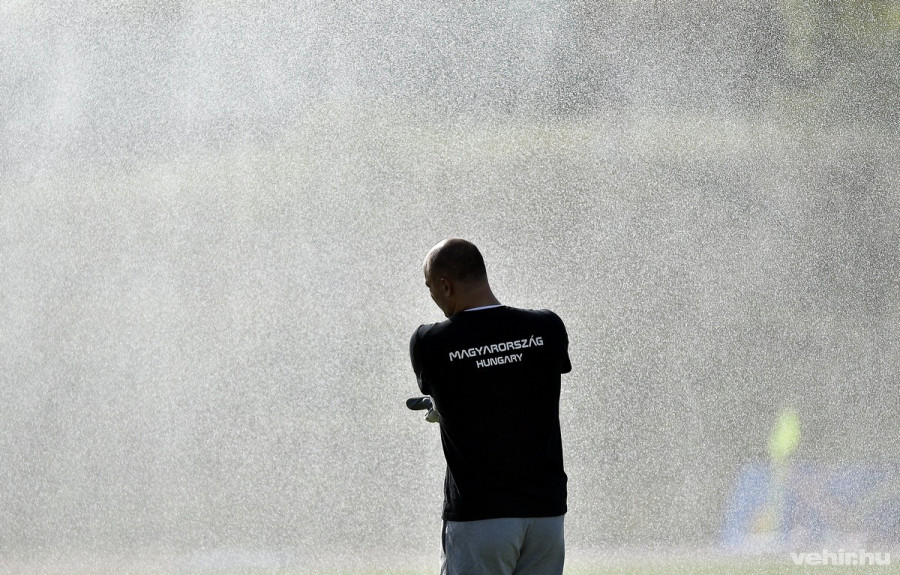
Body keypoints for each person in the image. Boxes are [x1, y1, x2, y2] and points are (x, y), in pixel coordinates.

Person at [408, 238, 571, 575]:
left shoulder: (431, 342)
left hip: (480, 516)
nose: (433, 297)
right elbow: (516, 387)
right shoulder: (547, 327)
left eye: (430, 287)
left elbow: (469, 387)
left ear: (445, 286)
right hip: (546, 516)